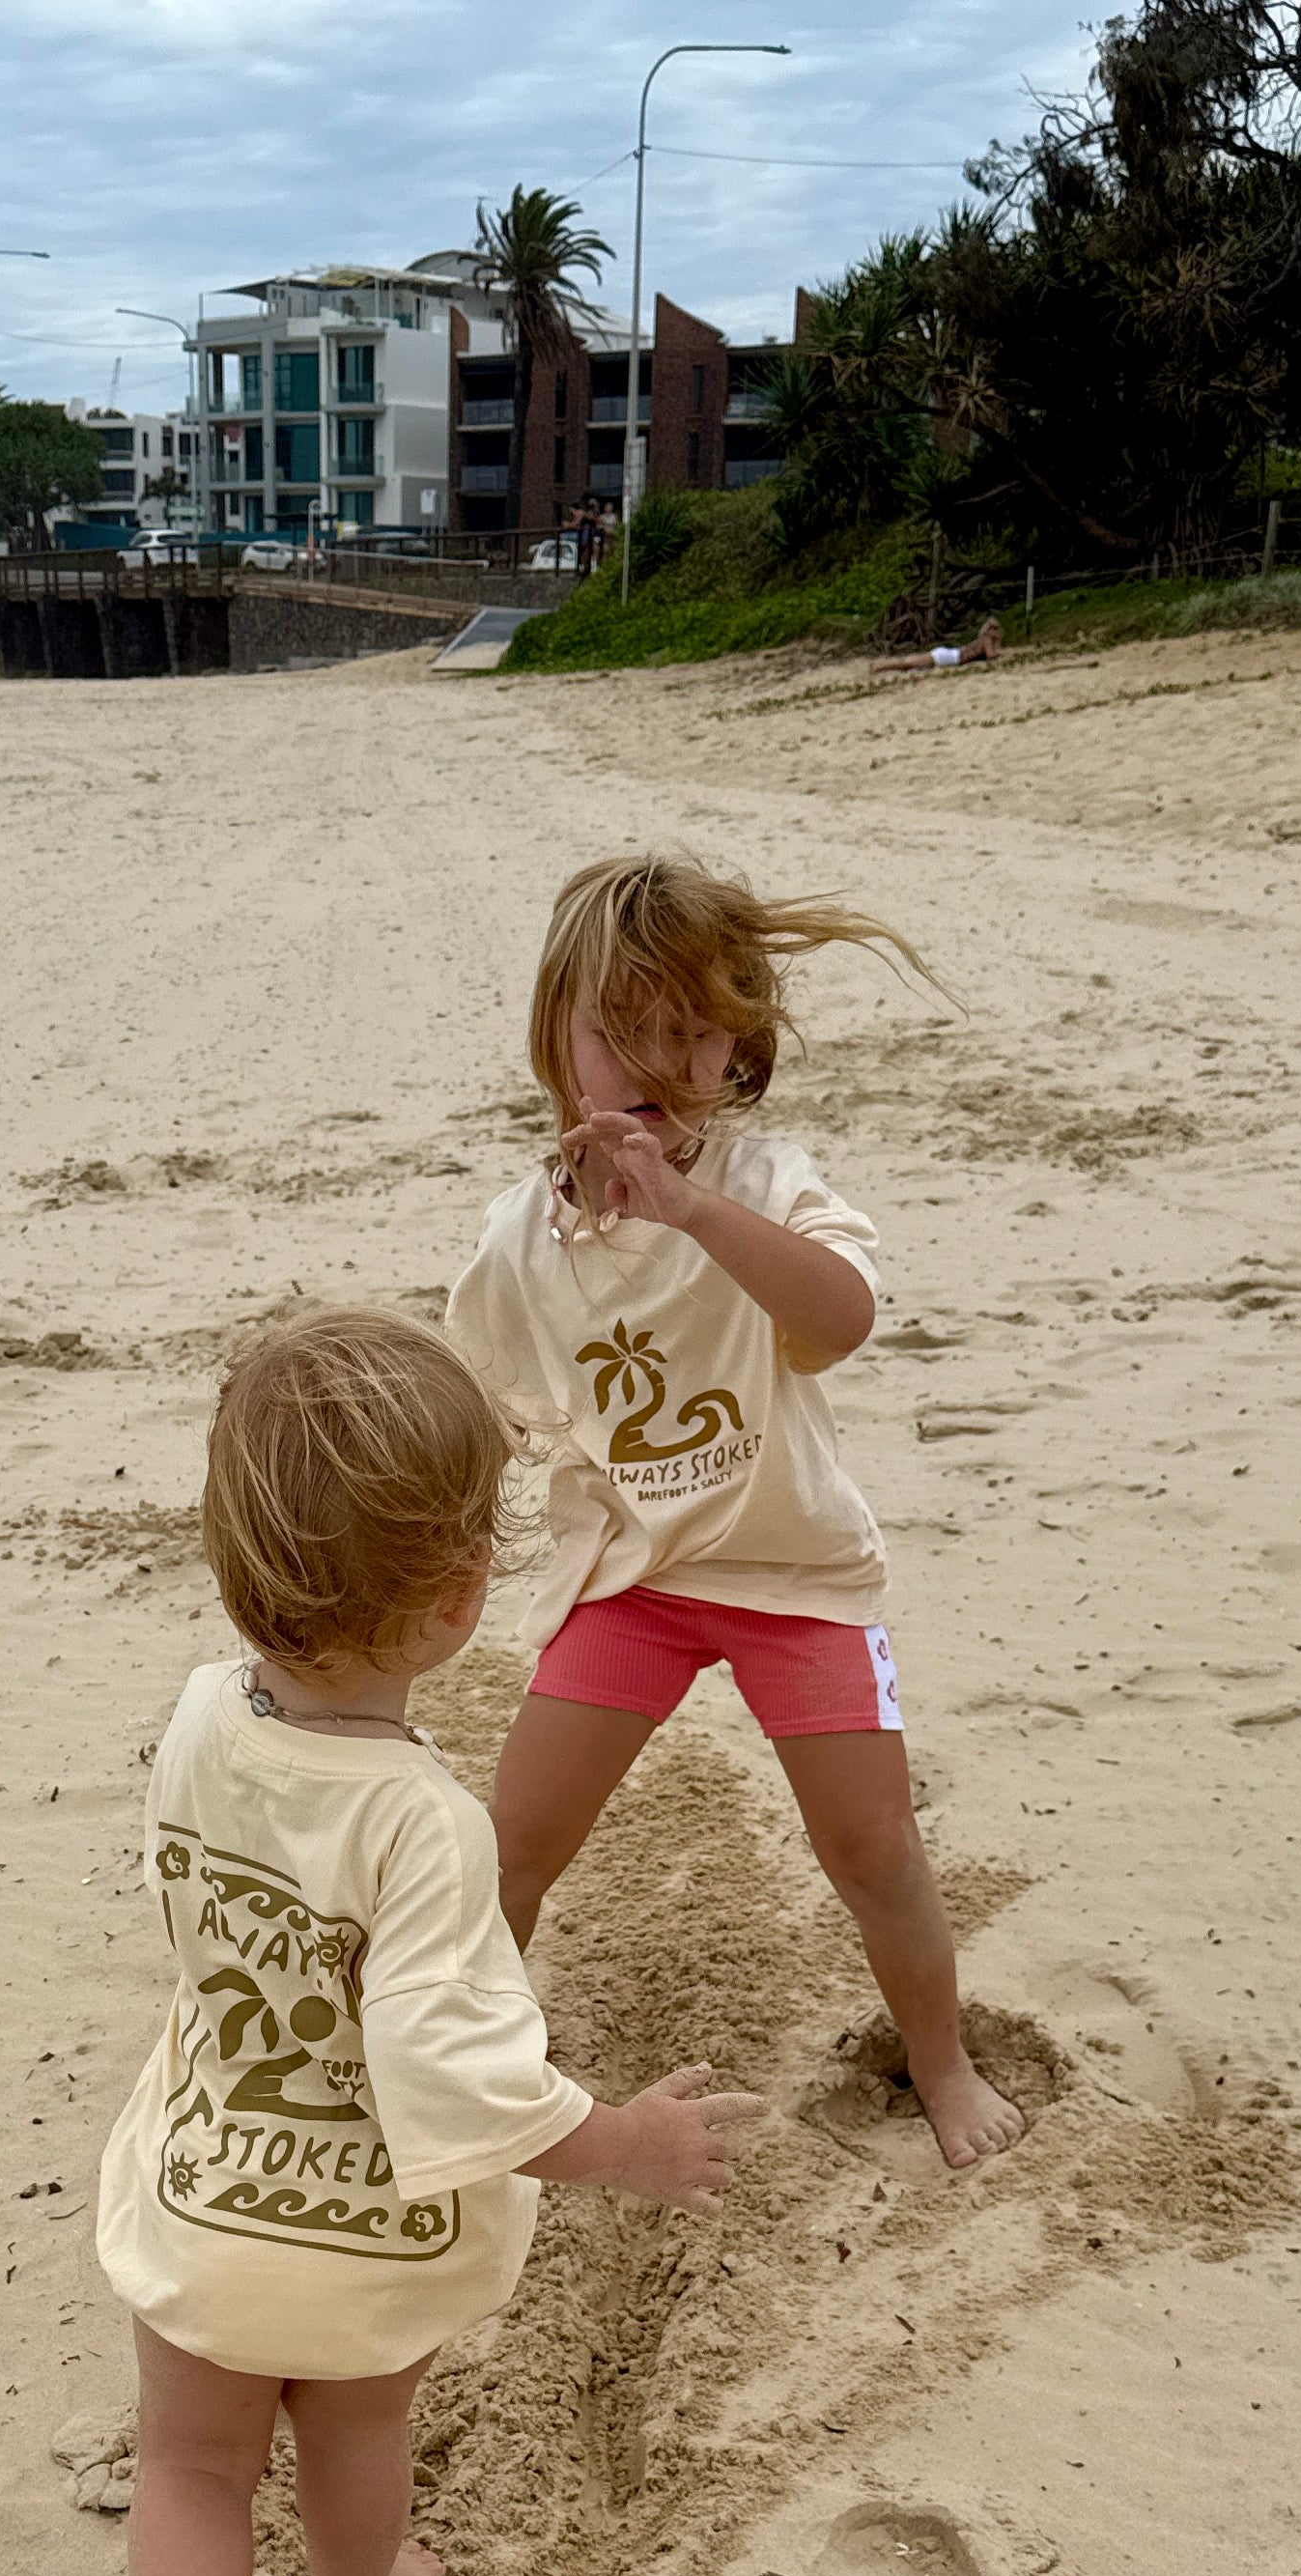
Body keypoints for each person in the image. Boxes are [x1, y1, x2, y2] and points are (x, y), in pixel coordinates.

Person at [95, 1310, 762, 2576]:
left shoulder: (198, 1718)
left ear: (231, 1570)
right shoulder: (425, 1825)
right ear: (461, 1599)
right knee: (356, 2424)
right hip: (363, 2233)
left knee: (190, 2465)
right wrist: (623, 2142)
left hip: (209, 2193)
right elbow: (458, 2076)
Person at [448, 850, 1027, 2174]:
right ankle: (464, 2070)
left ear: (738, 1045)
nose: (660, 1064)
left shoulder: (766, 1186)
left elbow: (843, 1317)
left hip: (794, 1571)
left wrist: (695, 1210)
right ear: (556, 1040)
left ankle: (940, 2061)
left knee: (871, 1842)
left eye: (694, 1033)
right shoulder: (517, 1241)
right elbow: (483, 1408)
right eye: (622, 1032)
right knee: (514, 1842)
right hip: (632, 1579)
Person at [872, 613, 1006, 675]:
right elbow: (991, 655)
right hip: (949, 658)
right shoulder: (986, 640)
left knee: (909, 664)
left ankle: (880, 666)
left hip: (949, 655)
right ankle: (879, 666)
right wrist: (1001, 652)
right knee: (908, 663)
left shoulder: (983, 638)